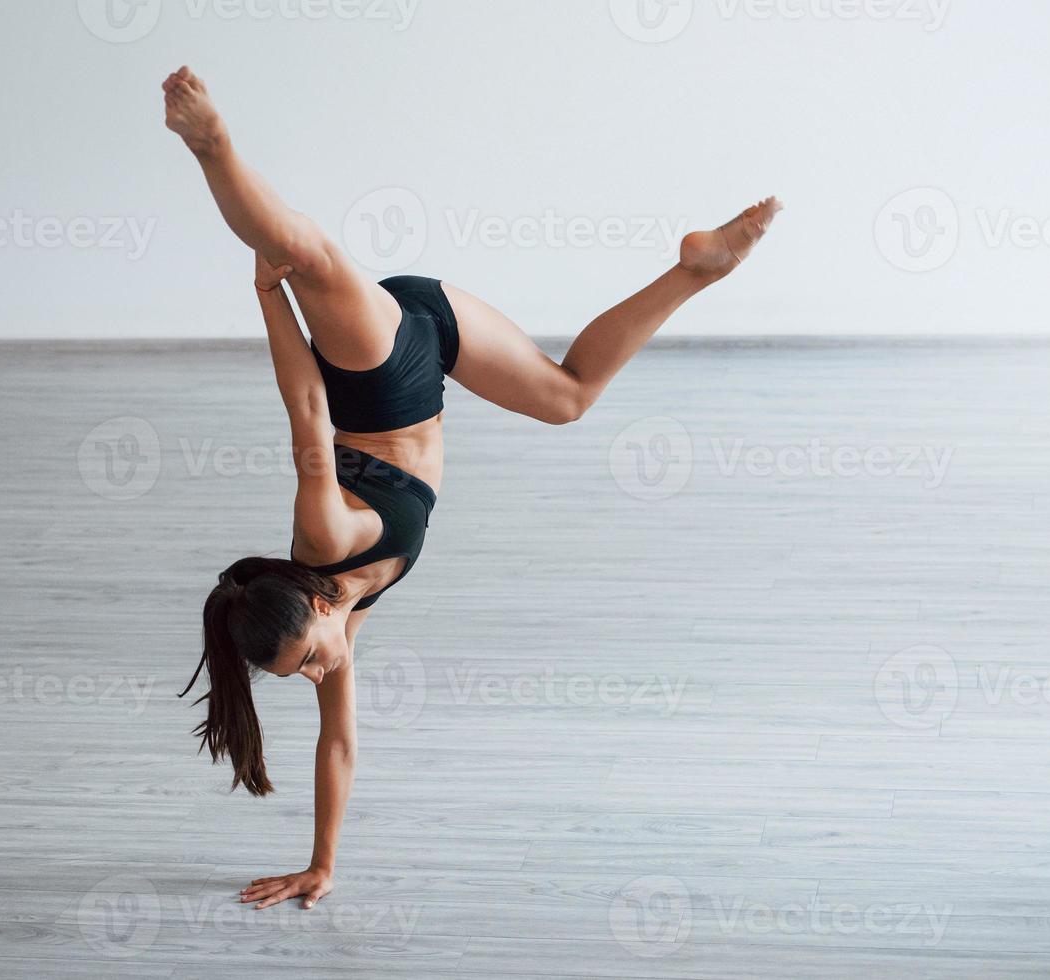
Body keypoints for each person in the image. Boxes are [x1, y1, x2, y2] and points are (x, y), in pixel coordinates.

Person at [164, 66, 782, 910]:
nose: (317, 677)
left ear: (309, 607)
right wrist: (323, 866)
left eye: (306, 661)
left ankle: (212, 147)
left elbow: (307, 409)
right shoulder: (347, 613)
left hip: (373, 371)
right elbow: (339, 746)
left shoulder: (324, 542)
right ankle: (698, 269)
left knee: (302, 254)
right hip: (439, 338)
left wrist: (269, 299)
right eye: (302, 677)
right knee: (568, 397)